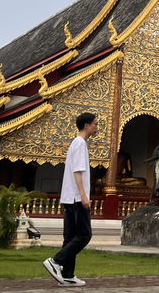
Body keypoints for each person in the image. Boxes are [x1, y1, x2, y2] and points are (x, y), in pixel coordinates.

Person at [43, 112, 98, 287]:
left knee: (71, 237)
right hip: (76, 197)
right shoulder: (80, 144)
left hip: (68, 197)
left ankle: (67, 275)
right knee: (84, 235)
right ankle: (56, 261)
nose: (97, 127)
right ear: (86, 125)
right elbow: (78, 171)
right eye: (95, 124)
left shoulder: (76, 143)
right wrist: (83, 196)